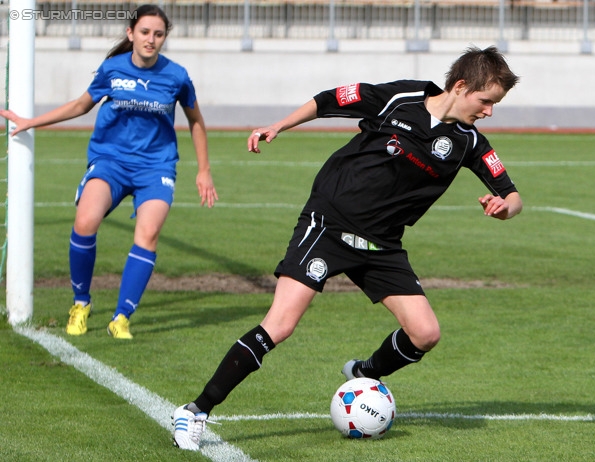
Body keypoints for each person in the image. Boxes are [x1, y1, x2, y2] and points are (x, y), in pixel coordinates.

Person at [171, 45, 522, 450]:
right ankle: (195, 411)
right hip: (330, 224)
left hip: (383, 244)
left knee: (425, 333)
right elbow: (330, 100)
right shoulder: (399, 98)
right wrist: (279, 125)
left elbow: (512, 196)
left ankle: (364, 371)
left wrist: (503, 209)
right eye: (486, 101)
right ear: (460, 87)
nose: (489, 112)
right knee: (280, 324)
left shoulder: (469, 142)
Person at [0, 4, 217, 339]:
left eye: (158, 34)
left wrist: (204, 170)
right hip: (110, 161)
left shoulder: (177, 77)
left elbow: (196, 122)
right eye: (145, 32)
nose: (151, 39)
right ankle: (81, 303)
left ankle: (121, 317)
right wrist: (32, 121)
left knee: (148, 234)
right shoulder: (113, 69)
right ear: (131, 33)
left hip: (155, 167)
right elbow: (80, 105)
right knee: (85, 222)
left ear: (164, 37)